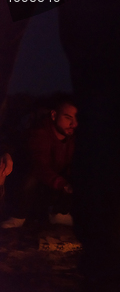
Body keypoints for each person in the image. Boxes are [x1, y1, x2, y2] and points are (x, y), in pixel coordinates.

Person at [1, 97, 77, 228]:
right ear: (54, 115)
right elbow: (39, 167)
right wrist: (63, 185)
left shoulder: (73, 137)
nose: (73, 124)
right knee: (32, 177)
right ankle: (18, 216)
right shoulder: (39, 132)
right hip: (27, 188)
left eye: (76, 119)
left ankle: (59, 213)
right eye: (68, 117)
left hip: (51, 187)